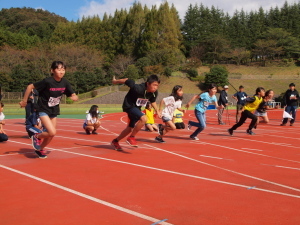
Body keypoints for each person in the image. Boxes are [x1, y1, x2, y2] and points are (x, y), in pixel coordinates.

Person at [19, 61, 78, 159]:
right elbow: (30, 87)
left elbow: (72, 93)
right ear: (52, 70)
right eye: (59, 69)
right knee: (52, 132)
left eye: (63, 70)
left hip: (54, 110)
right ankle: (36, 136)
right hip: (43, 109)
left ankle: (39, 149)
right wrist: (24, 101)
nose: (61, 72)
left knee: (51, 135)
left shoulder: (65, 82)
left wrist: (74, 96)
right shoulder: (47, 81)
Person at [111, 75, 161, 151]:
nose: (155, 87)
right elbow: (127, 80)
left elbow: (153, 101)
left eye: (157, 85)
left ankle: (115, 141)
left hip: (137, 108)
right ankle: (131, 137)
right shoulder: (138, 88)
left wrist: (157, 110)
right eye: (154, 85)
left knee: (130, 128)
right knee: (144, 118)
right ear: (148, 84)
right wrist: (115, 81)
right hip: (129, 106)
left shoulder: (154, 93)